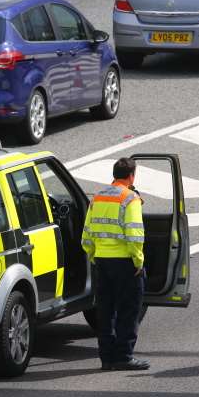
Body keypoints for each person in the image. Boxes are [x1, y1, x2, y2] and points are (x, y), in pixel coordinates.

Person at [81, 157, 148, 371]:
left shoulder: (98, 197)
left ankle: (106, 357)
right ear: (131, 176)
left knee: (105, 310)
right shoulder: (130, 198)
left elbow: (87, 233)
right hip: (126, 263)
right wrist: (138, 261)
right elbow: (135, 233)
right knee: (129, 309)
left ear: (114, 174)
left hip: (101, 261)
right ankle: (124, 356)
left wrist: (93, 255)